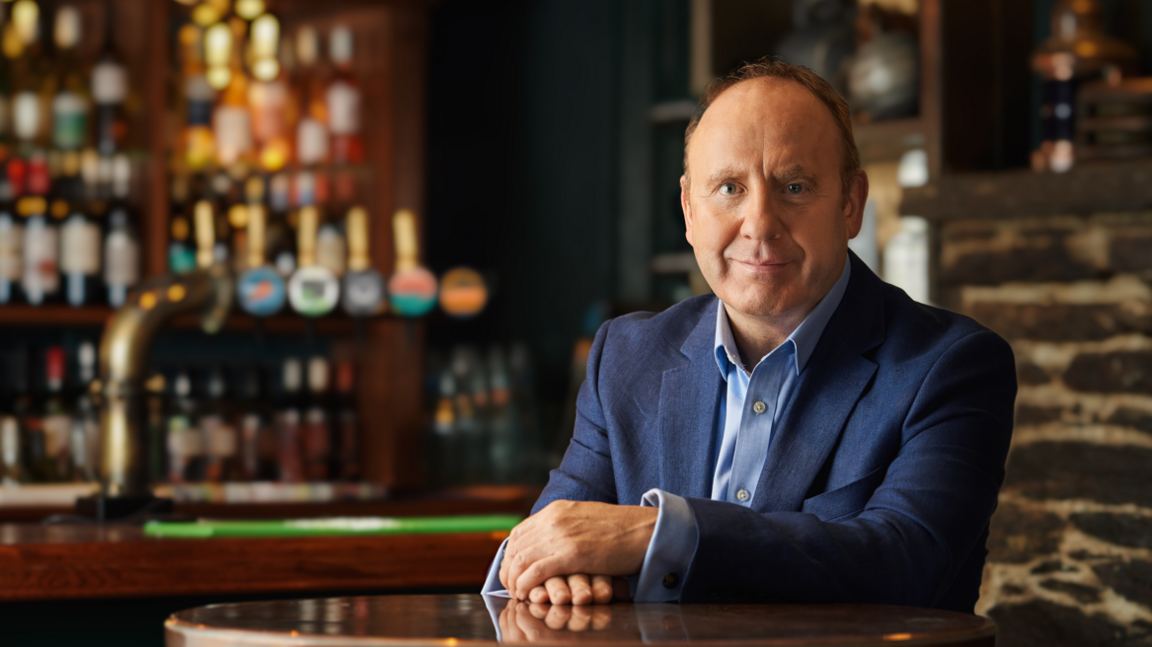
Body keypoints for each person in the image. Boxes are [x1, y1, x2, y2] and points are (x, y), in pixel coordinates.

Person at [483, 58, 1016, 612]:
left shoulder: (952, 365)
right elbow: (548, 541)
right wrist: (553, 573)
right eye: (730, 187)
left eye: (794, 185)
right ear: (689, 210)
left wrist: (655, 535)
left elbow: (907, 564)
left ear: (851, 204)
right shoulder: (625, 356)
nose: (760, 223)